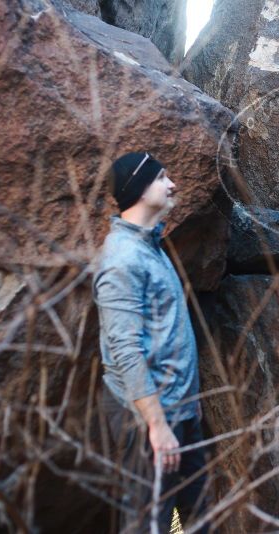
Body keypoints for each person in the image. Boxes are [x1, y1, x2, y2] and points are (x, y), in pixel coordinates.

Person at [93, 152, 210, 532]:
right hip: (149, 418)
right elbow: (125, 352)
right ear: (141, 190)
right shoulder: (121, 260)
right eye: (162, 177)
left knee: (202, 516)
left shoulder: (149, 246)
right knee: (150, 523)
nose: (172, 184)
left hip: (179, 409)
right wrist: (156, 425)